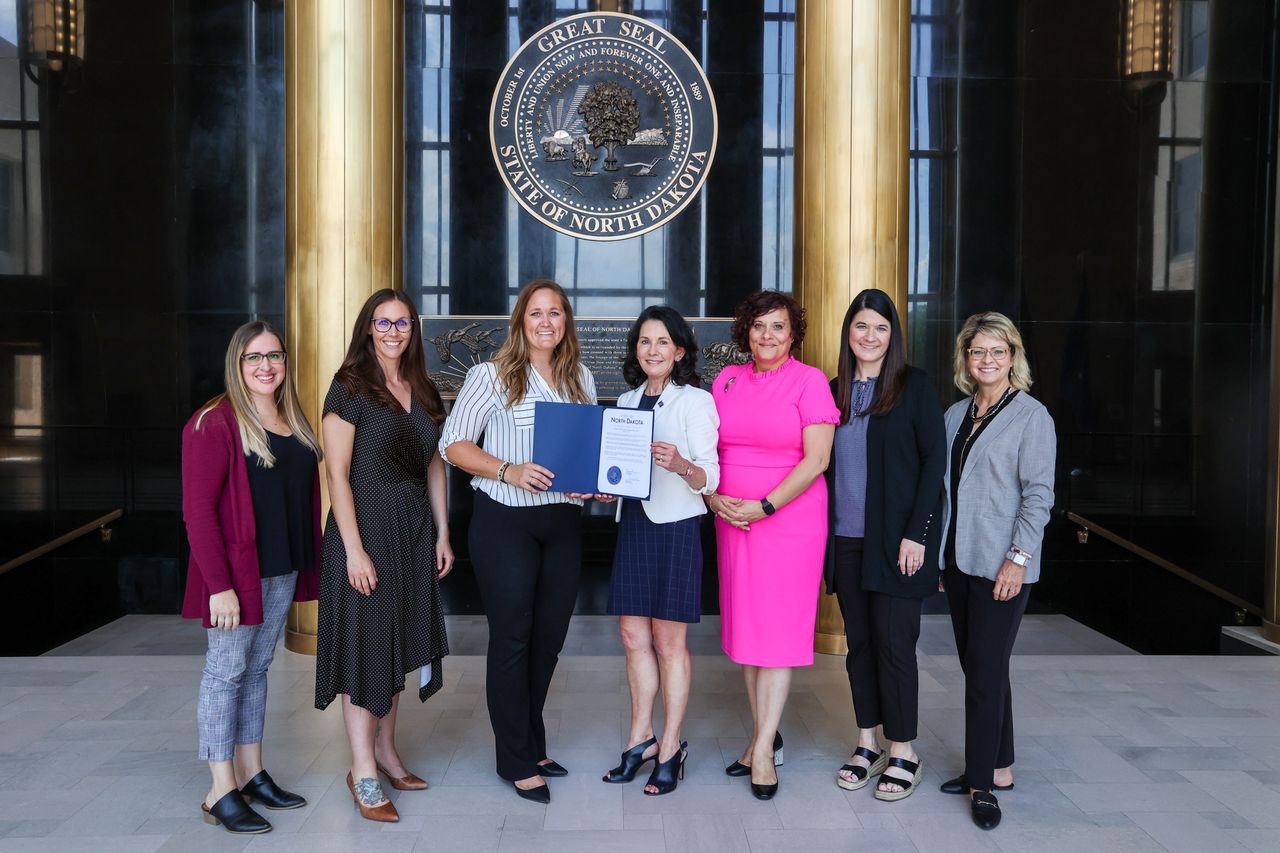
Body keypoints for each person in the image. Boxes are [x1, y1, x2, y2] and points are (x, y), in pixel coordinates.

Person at [440, 278, 604, 804]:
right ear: (521, 321)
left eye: (555, 313)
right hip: (504, 520)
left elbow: (586, 453)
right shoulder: (490, 375)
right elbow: (453, 446)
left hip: (562, 524)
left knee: (548, 640)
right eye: (536, 313)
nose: (546, 322)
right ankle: (514, 757)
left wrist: (592, 479)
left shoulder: (580, 378)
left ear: (566, 323)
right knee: (512, 638)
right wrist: (507, 469)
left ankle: (530, 742)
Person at [315, 289, 452, 824]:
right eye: (383, 322)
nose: (393, 331)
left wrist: (443, 532)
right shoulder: (349, 387)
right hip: (366, 531)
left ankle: (390, 755)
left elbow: (434, 465)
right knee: (367, 651)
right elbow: (337, 474)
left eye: (402, 322)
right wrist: (353, 550)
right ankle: (363, 770)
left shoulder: (421, 386)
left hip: (414, 532)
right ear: (367, 329)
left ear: (413, 328)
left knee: (396, 647)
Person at [182, 320, 323, 835]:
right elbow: (197, 511)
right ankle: (220, 789)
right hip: (235, 576)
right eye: (254, 358)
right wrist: (219, 585)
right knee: (226, 671)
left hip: (280, 566)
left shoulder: (290, 418)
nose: (266, 366)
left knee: (257, 668)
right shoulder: (214, 423)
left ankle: (251, 771)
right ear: (236, 365)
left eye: (275, 356)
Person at [708, 290, 839, 800]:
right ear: (746, 331)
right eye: (759, 326)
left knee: (779, 633)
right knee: (747, 631)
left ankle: (763, 749)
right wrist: (717, 498)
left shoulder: (808, 382)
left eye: (778, 327)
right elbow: (709, 446)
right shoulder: (728, 380)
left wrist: (764, 505)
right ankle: (761, 738)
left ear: (793, 333)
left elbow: (817, 461)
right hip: (731, 519)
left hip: (788, 521)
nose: (767, 335)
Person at [823, 289, 946, 801]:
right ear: (848, 333)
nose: (869, 336)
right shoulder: (834, 391)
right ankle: (867, 741)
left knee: (896, 647)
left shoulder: (914, 387)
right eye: (860, 326)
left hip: (899, 544)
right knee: (861, 646)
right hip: (847, 541)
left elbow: (933, 467)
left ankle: (903, 751)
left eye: (880, 328)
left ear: (892, 336)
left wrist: (918, 535)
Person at [937, 312, 1055, 831]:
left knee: (983, 672)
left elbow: (1039, 496)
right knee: (982, 667)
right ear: (966, 358)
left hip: (1003, 565)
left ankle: (981, 783)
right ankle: (1001, 766)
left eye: (997, 352)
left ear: (1013, 357)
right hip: (960, 561)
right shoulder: (955, 414)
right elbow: (946, 491)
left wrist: (1018, 559)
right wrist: (942, 554)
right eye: (977, 351)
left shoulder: (1033, 417)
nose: (986, 360)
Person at [602, 306, 719, 796]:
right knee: (633, 638)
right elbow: (620, 469)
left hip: (675, 528)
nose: (653, 350)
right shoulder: (626, 401)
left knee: (670, 644)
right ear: (637, 350)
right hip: (634, 525)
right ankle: (640, 737)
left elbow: (711, 476)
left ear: (679, 352)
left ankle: (670, 746)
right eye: (645, 342)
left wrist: (682, 464)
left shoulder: (695, 402)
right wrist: (607, 486)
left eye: (663, 342)